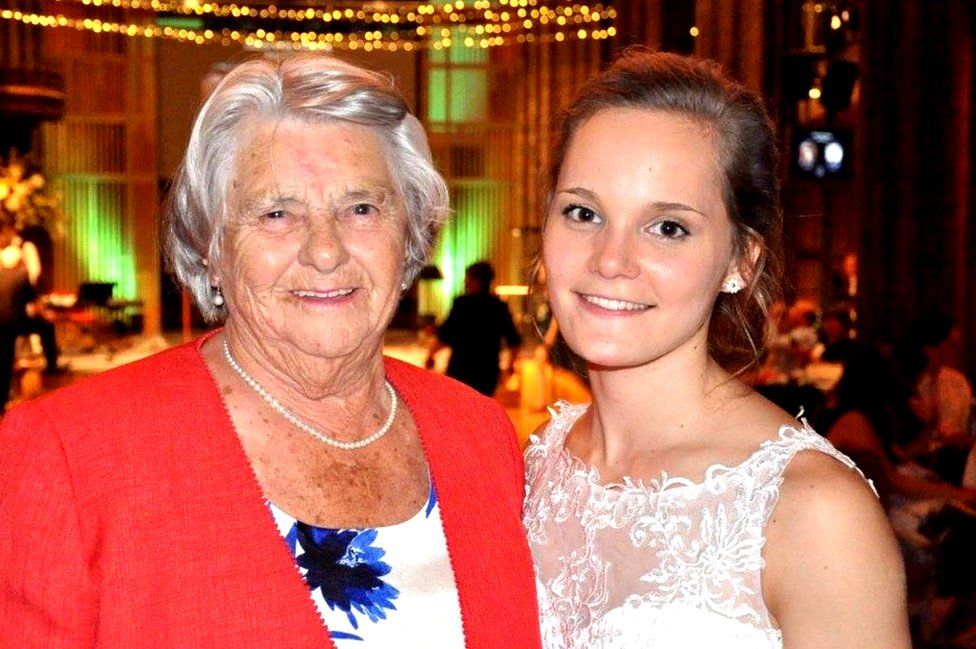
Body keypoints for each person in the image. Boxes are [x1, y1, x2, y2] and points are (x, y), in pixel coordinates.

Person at [0, 55, 541, 647]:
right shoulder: (69, 455)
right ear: (210, 244)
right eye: (276, 213)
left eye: (361, 208)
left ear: (409, 231)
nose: (326, 251)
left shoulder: (481, 436)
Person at [522, 51, 910, 648]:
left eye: (668, 227)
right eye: (584, 212)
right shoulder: (529, 472)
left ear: (739, 262)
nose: (609, 260)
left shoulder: (811, 511)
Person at [425, 260, 521, 396]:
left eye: (468, 278)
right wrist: (510, 366)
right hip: (487, 373)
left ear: (477, 281)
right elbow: (514, 340)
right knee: (481, 411)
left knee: (458, 410)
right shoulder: (498, 307)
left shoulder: (462, 304)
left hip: (460, 370)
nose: (465, 282)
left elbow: (446, 335)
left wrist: (430, 356)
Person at [0, 221, 37, 411]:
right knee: (5, 361)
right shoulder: (21, 275)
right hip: (11, 323)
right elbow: (31, 298)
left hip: (7, 321)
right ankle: (4, 399)